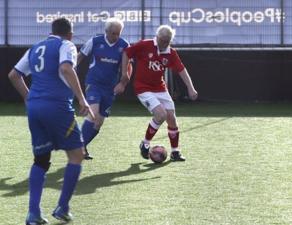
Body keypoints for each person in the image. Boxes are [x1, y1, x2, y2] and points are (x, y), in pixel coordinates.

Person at [8, 18, 94, 224]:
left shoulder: (35, 47)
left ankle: (33, 214)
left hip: (35, 108)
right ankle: (62, 208)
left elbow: (14, 75)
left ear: (51, 31)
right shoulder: (67, 45)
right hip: (57, 106)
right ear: (70, 34)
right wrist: (82, 99)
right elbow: (66, 68)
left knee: (41, 160)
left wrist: (29, 99)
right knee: (77, 154)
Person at [114, 25, 198, 161]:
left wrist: (191, 87)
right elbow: (126, 53)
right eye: (163, 40)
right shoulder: (145, 45)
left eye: (168, 41)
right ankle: (145, 143)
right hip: (143, 88)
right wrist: (124, 74)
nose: (165, 43)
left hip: (160, 88)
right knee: (161, 114)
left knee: (171, 118)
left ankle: (175, 152)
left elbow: (182, 70)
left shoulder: (170, 52)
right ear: (157, 37)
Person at [77, 17, 130, 160]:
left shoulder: (124, 45)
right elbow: (80, 57)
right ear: (106, 31)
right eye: (113, 33)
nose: (115, 36)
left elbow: (127, 69)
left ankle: (82, 146)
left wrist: (122, 83)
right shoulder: (95, 41)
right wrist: (68, 69)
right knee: (93, 113)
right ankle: (78, 148)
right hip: (93, 83)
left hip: (110, 88)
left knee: (98, 122)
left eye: (118, 33)